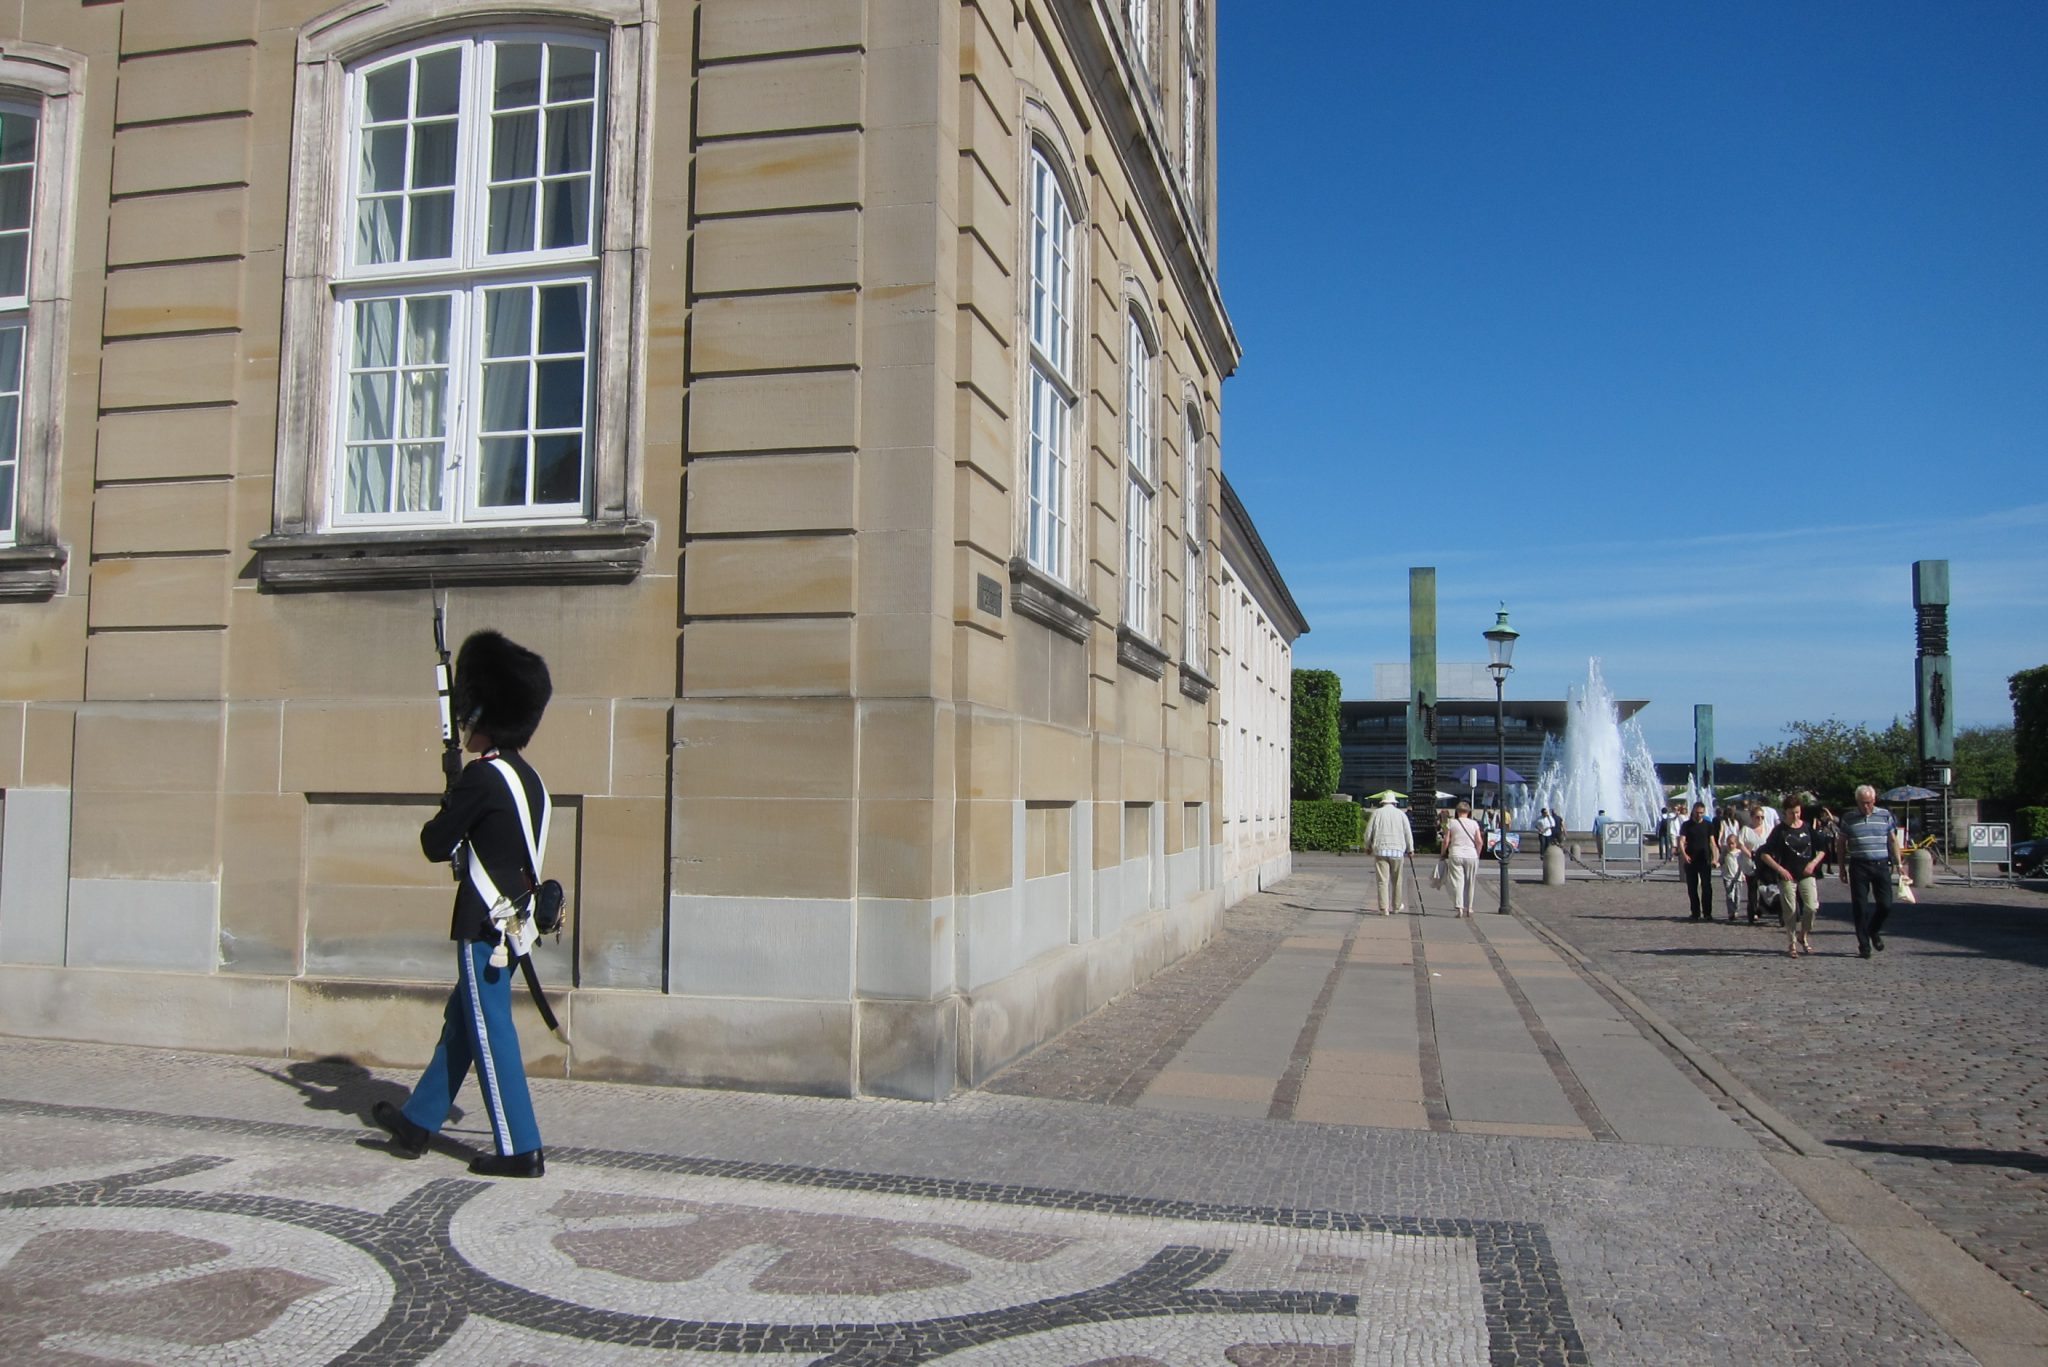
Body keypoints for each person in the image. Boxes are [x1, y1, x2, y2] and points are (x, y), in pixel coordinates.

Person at [374, 630, 554, 1178]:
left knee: (489, 1028)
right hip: (514, 922)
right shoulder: (529, 778)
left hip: (485, 924)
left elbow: (435, 844)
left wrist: (451, 799)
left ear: (483, 716)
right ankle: (417, 1122)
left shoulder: (482, 778)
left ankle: (519, 1147)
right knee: (463, 1022)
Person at [1838, 783, 1905, 959]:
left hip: (1881, 864)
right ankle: (1864, 945)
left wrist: (1899, 864)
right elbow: (1841, 844)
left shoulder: (1884, 815)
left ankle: (1873, 930)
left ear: (1874, 800)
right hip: (1859, 865)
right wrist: (1841, 867)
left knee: (1886, 904)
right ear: (1857, 802)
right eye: (1862, 802)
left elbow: (1892, 840)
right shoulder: (1849, 818)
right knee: (1860, 906)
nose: (1866, 806)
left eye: (1868, 802)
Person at [1758, 797, 1826, 956]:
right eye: (1791, 813)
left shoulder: (1807, 827)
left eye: (1797, 812)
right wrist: (1780, 869)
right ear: (1785, 813)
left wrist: (1813, 863)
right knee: (1790, 910)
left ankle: (1804, 934)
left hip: (1806, 873)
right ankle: (1792, 942)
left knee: (1811, 907)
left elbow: (1822, 849)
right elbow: (1764, 854)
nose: (1795, 816)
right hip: (1787, 875)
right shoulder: (1780, 831)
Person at [1365, 792, 1415, 916]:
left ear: (1382, 803)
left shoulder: (1377, 813)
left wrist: (1368, 846)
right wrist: (1410, 849)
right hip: (1397, 850)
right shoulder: (1401, 814)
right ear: (1394, 803)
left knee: (1382, 881)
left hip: (1381, 849)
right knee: (1397, 880)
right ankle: (1396, 907)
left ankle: (1384, 908)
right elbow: (1408, 833)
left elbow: (1368, 832)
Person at [1440, 800, 1484, 917]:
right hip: (1471, 855)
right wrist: (1477, 854)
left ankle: (1459, 907)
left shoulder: (1452, 823)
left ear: (1457, 811)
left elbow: (1446, 841)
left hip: (1456, 854)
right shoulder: (1474, 824)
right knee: (1470, 882)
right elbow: (1479, 842)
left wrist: (1443, 853)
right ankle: (1469, 908)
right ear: (1469, 812)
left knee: (1457, 881)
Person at [1676, 801, 1720, 921]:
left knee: (1707, 887)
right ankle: (1695, 912)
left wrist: (1715, 858)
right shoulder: (1686, 825)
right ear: (1693, 811)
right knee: (1692, 887)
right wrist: (1684, 855)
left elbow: (1712, 843)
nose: (1699, 815)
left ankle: (1707, 912)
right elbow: (1681, 841)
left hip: (1704, 859)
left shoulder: (1708, 825)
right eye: (1697, 812)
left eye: (1701, 813)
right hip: (1691, 860)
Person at [1716, 802, 1747, 920]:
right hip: (1728, 846)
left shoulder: (1732, 822)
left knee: (1737, 895)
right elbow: (1722, 833)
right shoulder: (1728, 822)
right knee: (1730, 893)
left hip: (1733, 845)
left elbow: (1725, 833)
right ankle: (1731, 912)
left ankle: (1735, 910)